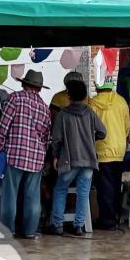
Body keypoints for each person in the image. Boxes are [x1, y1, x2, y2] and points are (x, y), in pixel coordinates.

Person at [0, 69, 52, 239]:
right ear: (40, 88)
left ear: (23, 83)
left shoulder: (14, 99)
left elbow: (3, 127)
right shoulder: (44, 107)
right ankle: (29, 231)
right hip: (36, 158)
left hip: (15, 155)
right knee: (33, 197)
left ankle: (8, 230)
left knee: (9, 196)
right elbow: (46, 136)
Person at [48, 79, 106, 236]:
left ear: (69, 96)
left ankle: (58, 224)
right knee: (83, 193)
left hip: (69, 160)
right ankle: (79, 226)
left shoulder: (62, 115)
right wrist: (90, 138)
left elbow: (57, 139)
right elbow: (103, 132)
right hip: (88, 160)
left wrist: (55, 156)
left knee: (60, 189)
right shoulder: (90, 113)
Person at [89, 77, 130, 229]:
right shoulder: (121, 102)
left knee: (104, 187)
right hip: (119, 150)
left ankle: (107, 221)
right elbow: (127, 128)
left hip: (101, 150)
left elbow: (89, 128)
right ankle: (115, 217)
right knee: (115, 185)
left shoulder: (92, 104)